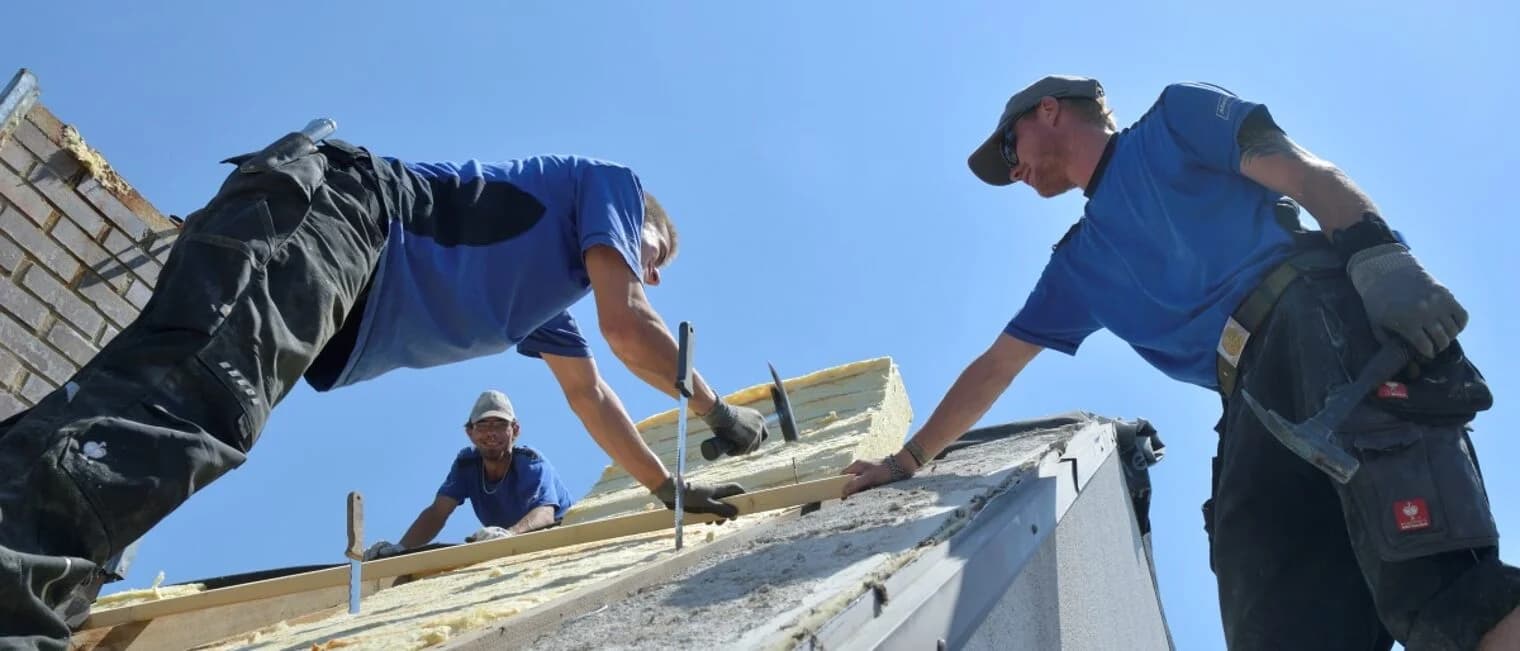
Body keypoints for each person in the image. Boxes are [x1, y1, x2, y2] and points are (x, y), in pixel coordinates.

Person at [0, 128, 770, 648]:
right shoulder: (614, 184)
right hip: (333, 219)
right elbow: (630, 324)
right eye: (654, 249)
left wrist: (665, 486)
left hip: (322, 249)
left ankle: (28, 578)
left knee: (175, 408)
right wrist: (719, 412)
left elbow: (591, 396)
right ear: (636, 218)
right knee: (193, 406)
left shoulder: (535, 306)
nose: (654, 269)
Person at [841, 75, 1520, 649]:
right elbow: (996, 366)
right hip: (1253, 407)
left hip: (1316, 322)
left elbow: (1298, 168)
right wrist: (905, 463)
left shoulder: (1172, 124)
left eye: (1009, 147)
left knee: (1441, 593)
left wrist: (1380, 254)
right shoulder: (1081, 263)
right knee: (1278, 631)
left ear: (1048, 110)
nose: (1012, 169)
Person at [364, 390, 577, 560]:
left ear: (515, 430)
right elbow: (438, 512)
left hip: (560, 545)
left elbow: (545, 515)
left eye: (500, 425)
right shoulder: (467, 466)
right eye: (482, 425)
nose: (491, 433)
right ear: (470, 433)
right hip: (511, 552)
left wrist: (510, 535)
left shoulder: (530, 463)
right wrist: (400, 549)